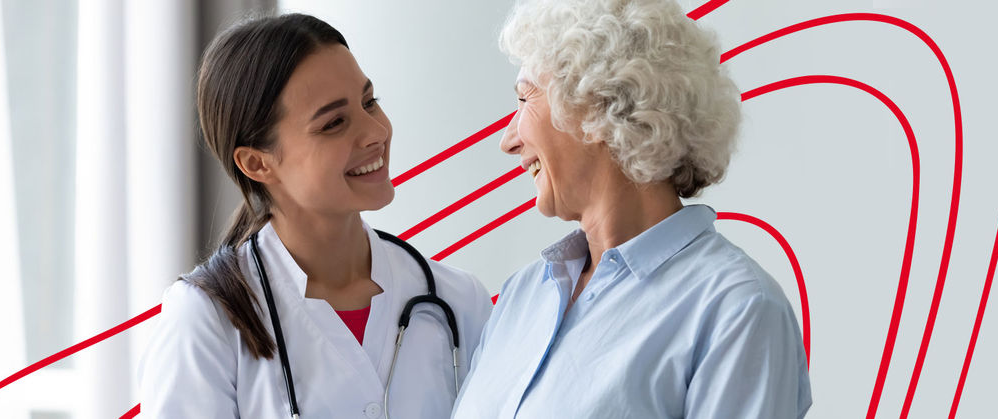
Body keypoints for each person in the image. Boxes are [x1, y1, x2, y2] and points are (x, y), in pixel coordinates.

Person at [452, 0, 812, 417]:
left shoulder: (736, 309)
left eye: (523, 99)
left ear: (597, 103)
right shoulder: (524, 294)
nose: (508, 140)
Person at [138, 13, 492, 419]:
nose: (375, 131)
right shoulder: (206, 319)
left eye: (369, 102)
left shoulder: (459, 302)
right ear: (257, 163)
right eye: (334, 123)